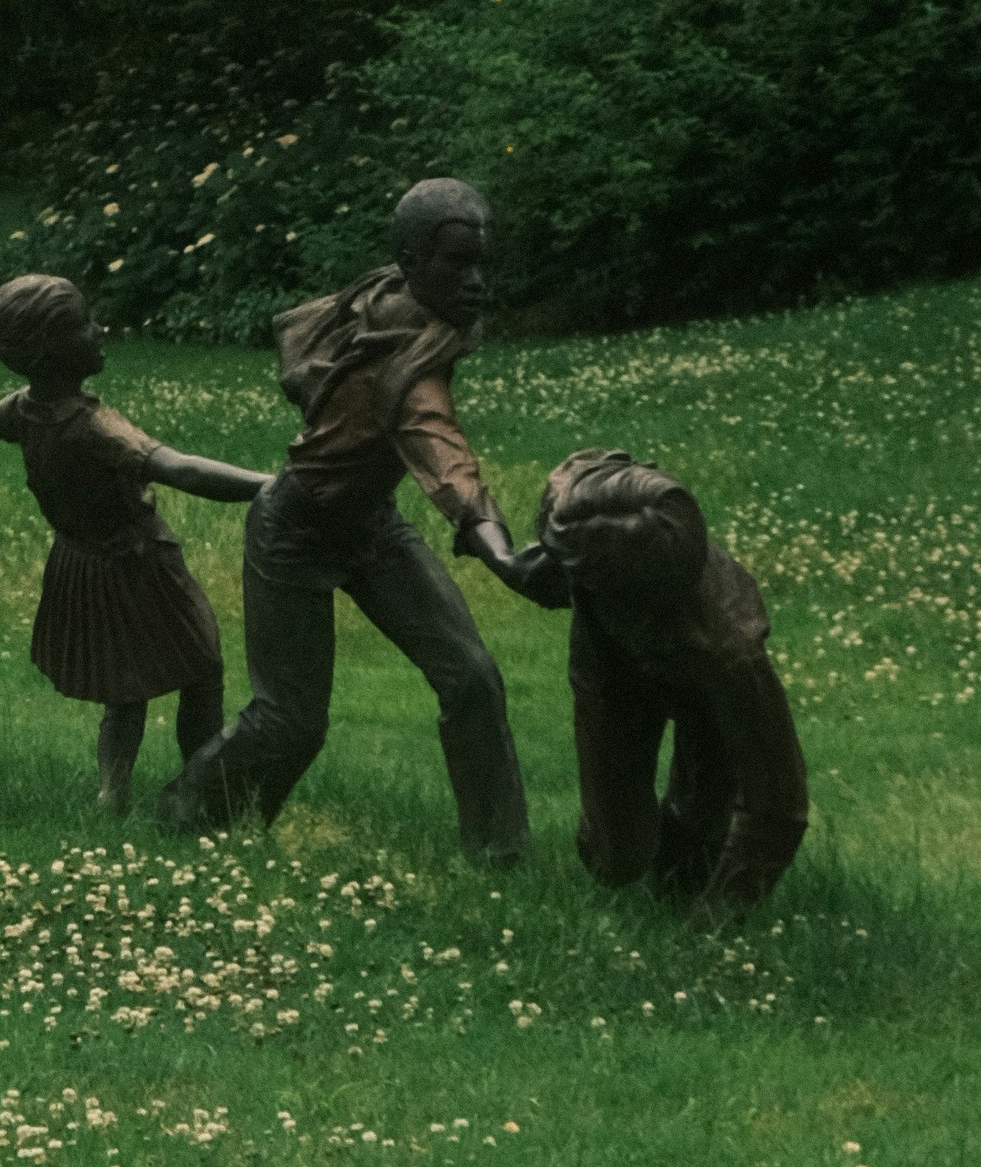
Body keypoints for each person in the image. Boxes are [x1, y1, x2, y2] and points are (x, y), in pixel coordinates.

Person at [157, 176, 531, 857]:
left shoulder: (391, 297)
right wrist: (502, 555)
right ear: (413, 262)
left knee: (471, 677)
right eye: (457, 262)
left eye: (480, 261)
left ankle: (499, 854)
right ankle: (187, 815)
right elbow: (445, 460)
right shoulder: (404, 368)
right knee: (291, 721)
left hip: (371, 526)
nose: (475, 281)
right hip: (295, 528)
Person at [0, 269, 265, 809]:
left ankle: (112, 792)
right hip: (141, 565)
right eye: (85, 324)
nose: (101, 331)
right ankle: (199, 785)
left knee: (123, 689)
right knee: (203, 667)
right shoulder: (95, 425)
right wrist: (270, 486)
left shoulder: (21, 410)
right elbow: (178, 467)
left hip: (81, 566)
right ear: (50, 353)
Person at [497, 446, 810, 910]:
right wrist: (489, 541)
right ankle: (631, 851)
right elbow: (549, 557)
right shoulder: (580, 505)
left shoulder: (729, 649)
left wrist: (718, 920)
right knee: (613, 854)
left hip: (702, 688)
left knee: (693, 846)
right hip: (610, 671)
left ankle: (681, 875)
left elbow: (778, 808)